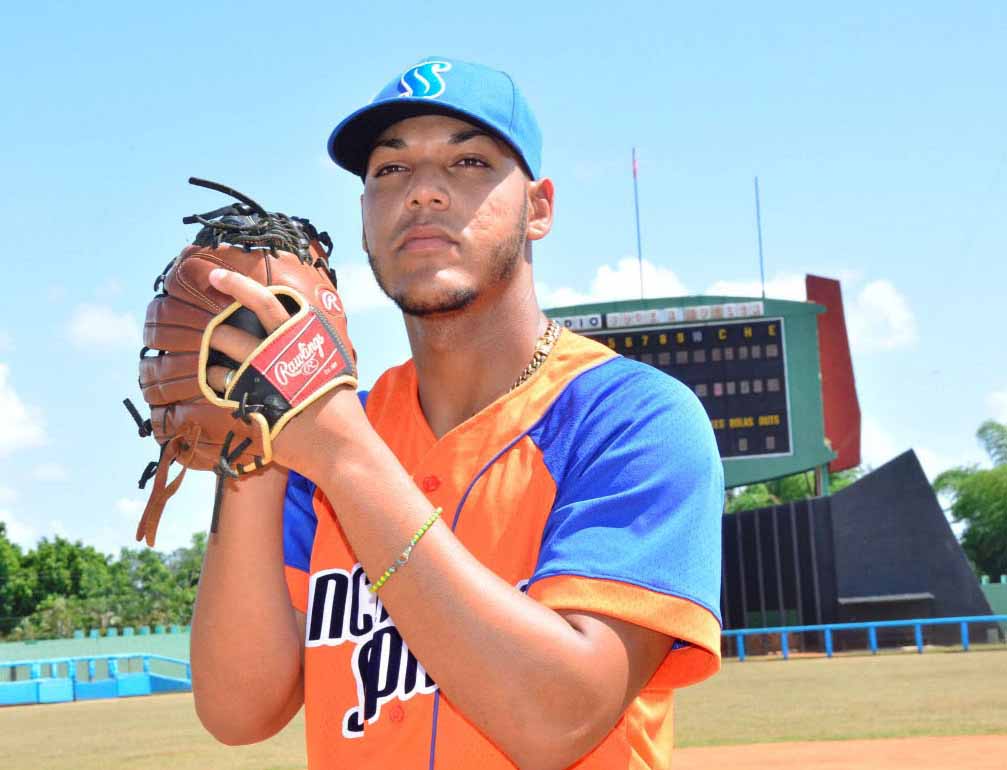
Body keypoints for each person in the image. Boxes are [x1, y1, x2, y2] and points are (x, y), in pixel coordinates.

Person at [189, 56, 724, 770]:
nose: (424, 193)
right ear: (365, 219)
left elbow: (556, 720)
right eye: (390, 170)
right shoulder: (325, 430)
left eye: (469, 161)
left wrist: (343, 457)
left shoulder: (631, 417)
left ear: (538, 208)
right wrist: (248, 443)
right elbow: (237, 711)